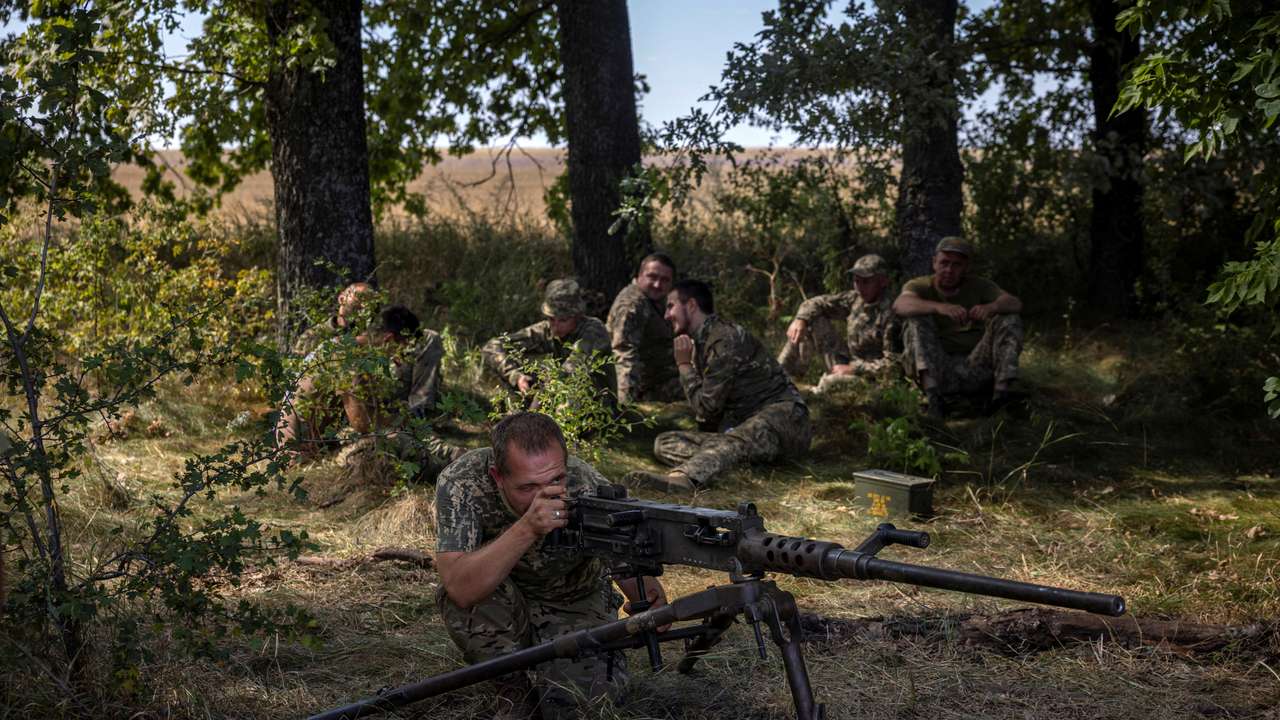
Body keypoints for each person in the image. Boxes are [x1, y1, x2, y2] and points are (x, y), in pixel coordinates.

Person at [434, 412, 668, 718]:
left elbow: (627, 565)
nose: (547, 495)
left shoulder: (585, 482)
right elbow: (460, 587)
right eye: (528, 488)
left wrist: (649, 599)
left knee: (585, 708)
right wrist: (528, 527)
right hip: (505, 603)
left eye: (557, 479)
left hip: (576, 602)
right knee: (463, 600)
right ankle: (513, 691)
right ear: (497, 477)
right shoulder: (462, 482)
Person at [623, 280, 812, 493]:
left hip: (783, 420)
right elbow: (709, 420)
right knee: (665, 443)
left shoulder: (724, 338)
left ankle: (685, 479)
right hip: (742, 430)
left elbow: (707, 409)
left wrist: (684, 366)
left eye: (671, 306)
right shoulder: (702, 343)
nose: (667, 315)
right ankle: (738, 467)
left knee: (736, 439)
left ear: (691, 305)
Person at [277, 304, 463, 479]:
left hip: (314, 446)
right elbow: (363, 423)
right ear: (389, 340)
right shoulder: (351, 358)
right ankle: (457, 466)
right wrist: (399, 425)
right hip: (303, 459)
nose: (399, 358)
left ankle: (457, 459)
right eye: (402, 349)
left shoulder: (345, 347)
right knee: (401, 443)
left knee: (402, 435)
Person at [892, 236, 1024, 418]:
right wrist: (939, 307)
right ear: (934, 263)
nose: (949, 270)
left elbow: (1014, 303)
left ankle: (1000, 396)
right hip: (939, 369)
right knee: (915, 320)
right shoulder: (920, 285)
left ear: (966, 267)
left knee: (1009, 318)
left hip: (975, 367)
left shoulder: (979, 285)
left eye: (957, 265)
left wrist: (991, 307)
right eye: (944, 263)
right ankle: (934, 400)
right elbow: (900, 305)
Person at [778, 253, 900, 392]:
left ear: (883, 281)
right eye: (856, 281)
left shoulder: (892, 313)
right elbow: (815, 303)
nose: (859, 287)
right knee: (810, 322)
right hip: (847, 362)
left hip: (871, 378)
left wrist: (855, 368)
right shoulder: (854, 299)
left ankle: (813, 393)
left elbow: (893, 366)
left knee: (831, 383)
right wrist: (801, 320)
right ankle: (776, 377)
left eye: (866, 282)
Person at [482, 278, 615, 399]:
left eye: (563, 320)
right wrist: (515, 376)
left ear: (577, 315)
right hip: (556, 398)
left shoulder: (593, 331)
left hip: (598, 410)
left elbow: (570, 372)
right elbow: (492, 346)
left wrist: (537, 405)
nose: (555, 327)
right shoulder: (547, 330)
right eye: (551, 319)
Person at [606, 253, 682, 404]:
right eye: (652, 277)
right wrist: (624, 408)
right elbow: (623, 355)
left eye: (664, 280)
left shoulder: (656, 299)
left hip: (663, 376)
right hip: (646, 387)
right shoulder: (632, 305)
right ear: (639, 276)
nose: (657, 284)